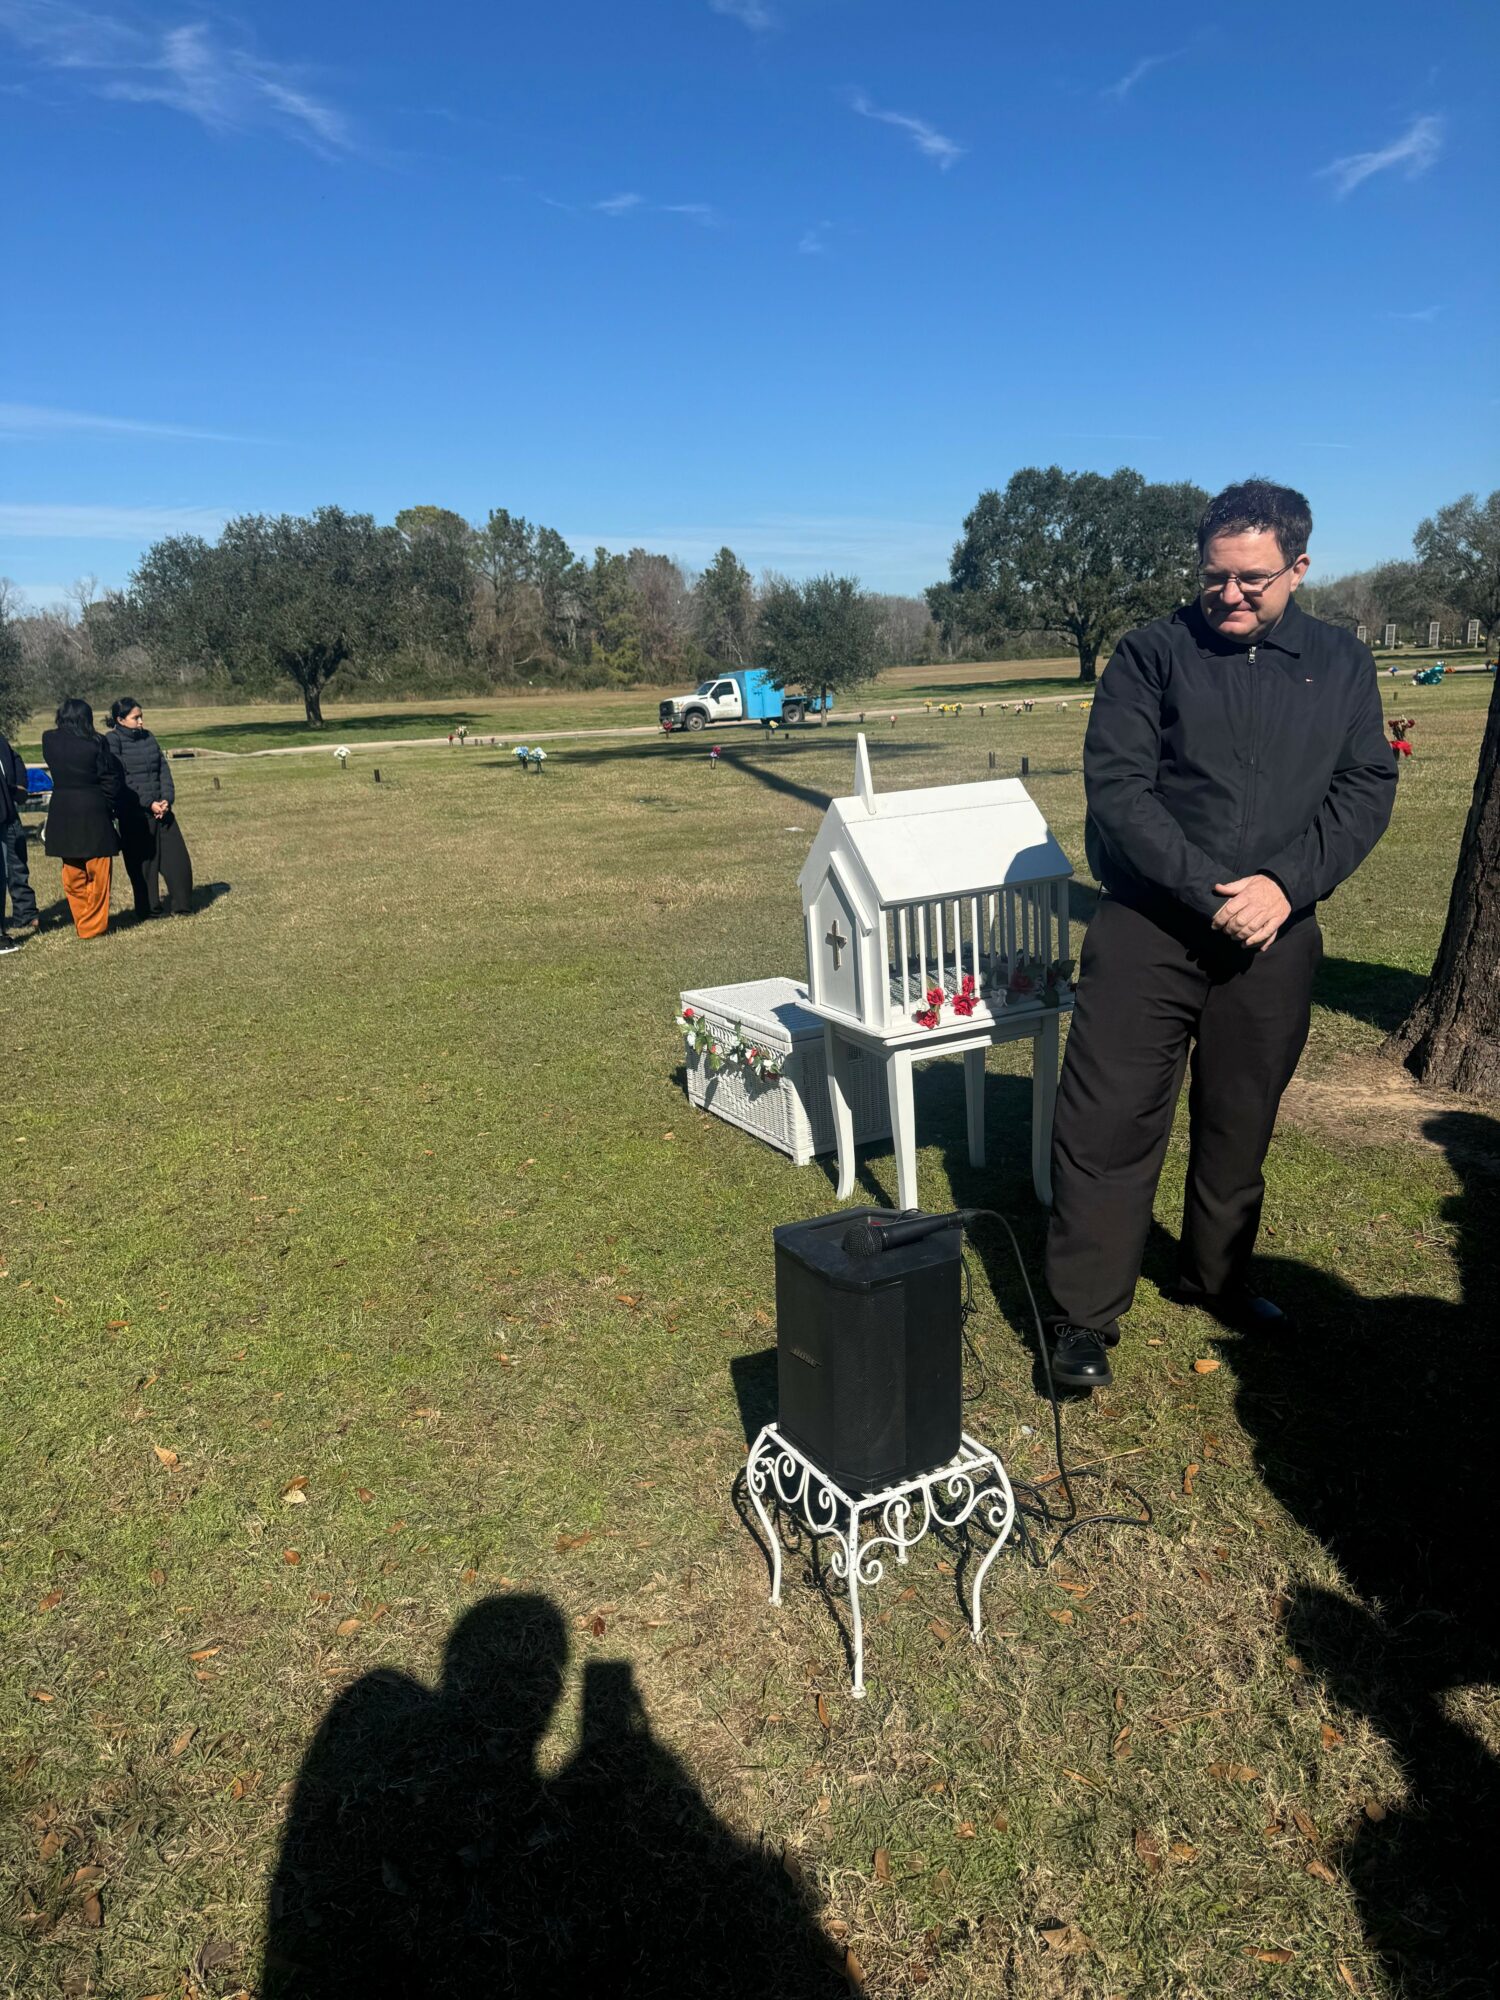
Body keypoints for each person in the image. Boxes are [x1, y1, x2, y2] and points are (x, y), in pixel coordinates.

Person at [1043, 480, 1396, 1390]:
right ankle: (1084, 1315)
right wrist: (1212, 894)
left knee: (1241, 1120)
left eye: (1253, 580)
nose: (1231, 597)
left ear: (1299, 568)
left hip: (1276, 934)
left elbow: (1364, 786)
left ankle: (1216, 1276)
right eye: (1214, 579)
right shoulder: (1150, 654)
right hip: (1149, 925)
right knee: (1108, 1120)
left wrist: (1285, 886)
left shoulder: (1341, 662)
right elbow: (1119, 792)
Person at [105, 698, 193, 920]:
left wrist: (166, 799)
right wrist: (147, 802)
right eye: (136, 718)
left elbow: (163, 769)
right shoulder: (112, 741)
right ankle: (150, 909)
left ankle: (182, 905)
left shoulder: (149, 737)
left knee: (177, 860)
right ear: (120, 720)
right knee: (144, 865)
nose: (141, 721)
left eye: (141, 716)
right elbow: (121, 778)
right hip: (135, 813)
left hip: (162, 810)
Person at [41, 698, 122, 940]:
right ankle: (92, 924)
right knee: (98, 872)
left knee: (72, 871)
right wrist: (109, 804)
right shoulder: (97, 742)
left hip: (63, 809)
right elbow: (108, 777)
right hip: (93, 807)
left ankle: (83, 918)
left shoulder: (49, 739)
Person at [0, 726, 39, 946]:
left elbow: (16, 760)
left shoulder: (1, 740)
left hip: (9, 808)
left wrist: (21, 786)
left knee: (17, 863)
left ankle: (26, 913)